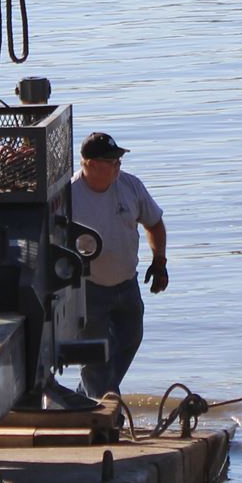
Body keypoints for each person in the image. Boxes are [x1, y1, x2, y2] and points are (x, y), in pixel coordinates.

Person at [67, 130, 166, 402]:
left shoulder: (130, 186)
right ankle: (109, 415)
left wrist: (159, 262)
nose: (118, 167)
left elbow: (154, 223)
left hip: (127, 282)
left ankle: (84, 399)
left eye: (119, 161)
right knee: (95, 356)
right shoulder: (69, 195)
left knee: (130, 340)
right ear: (90, 164)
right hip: (89, 288)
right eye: (112, 162)